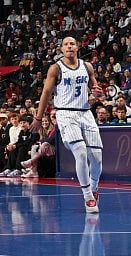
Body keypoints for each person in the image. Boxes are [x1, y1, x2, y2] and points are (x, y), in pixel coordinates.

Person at [29, 36, 104, 213]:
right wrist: (39, 118)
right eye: (66, 44)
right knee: (81, 152)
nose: (69, 46)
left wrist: (99, 93)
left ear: (77, 47)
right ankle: (87, 197)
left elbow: (96, 91)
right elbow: (46, 94)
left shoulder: (87, 66)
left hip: (85, 113)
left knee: (97, 157)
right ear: (61, 49)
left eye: (72, 43)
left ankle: (93, 188)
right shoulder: (56, 68)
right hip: (65, 113)